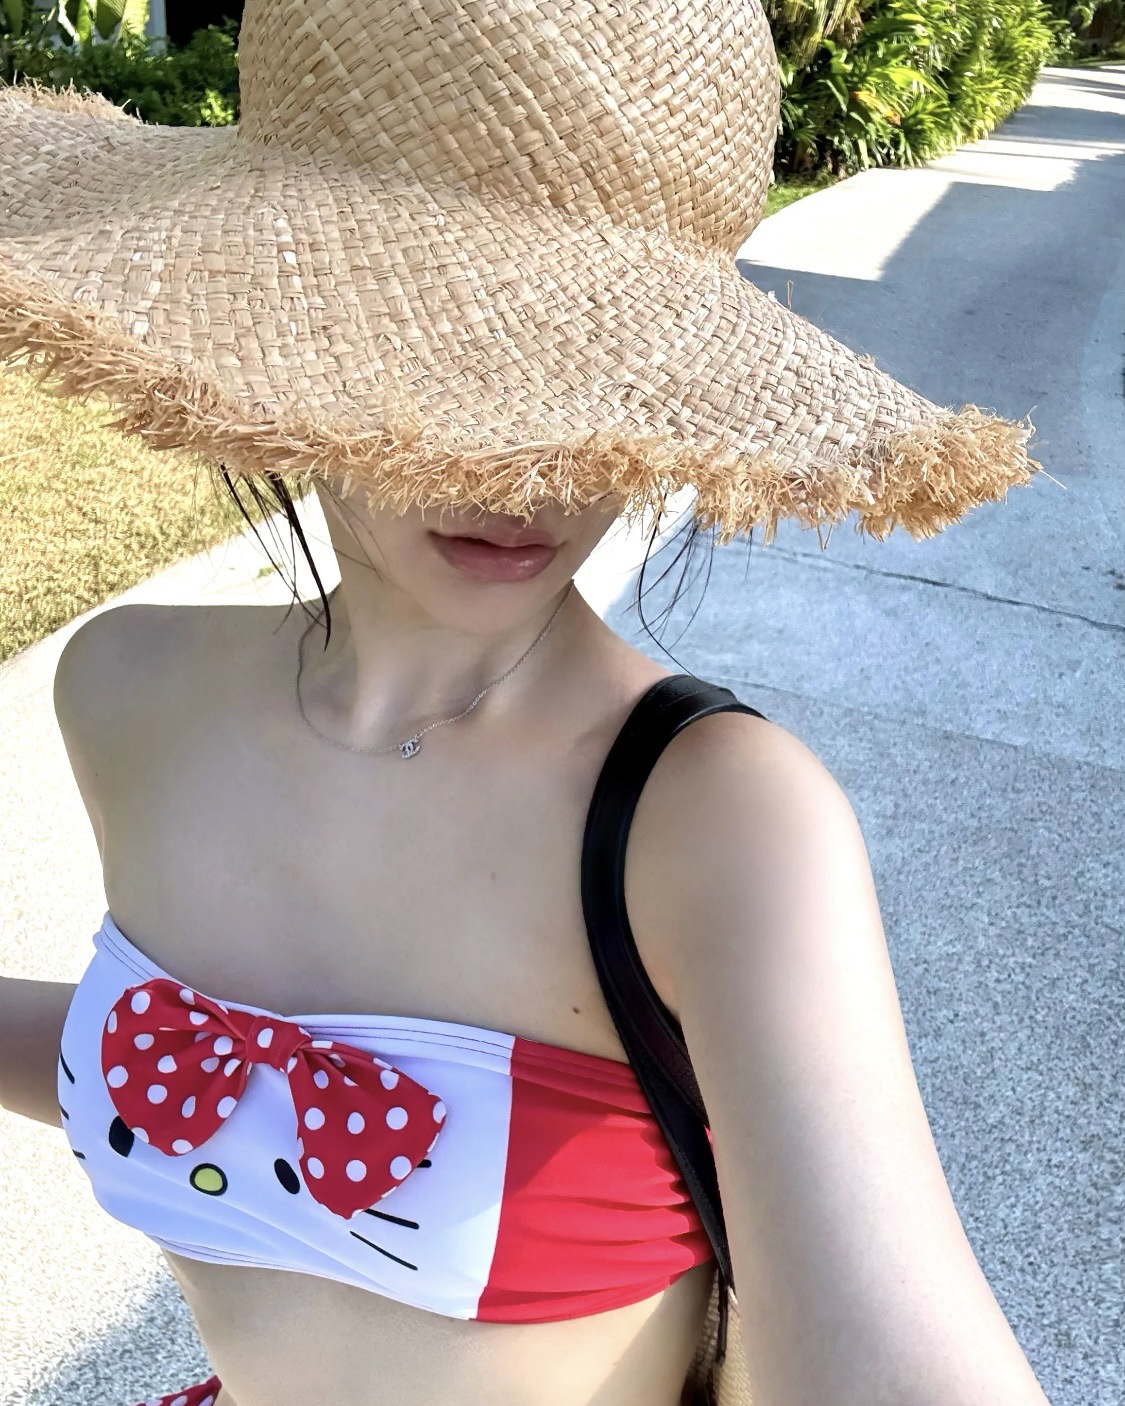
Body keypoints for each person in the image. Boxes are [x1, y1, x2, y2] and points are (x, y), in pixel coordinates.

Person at [0, 2, 1053, 1404]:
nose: (535, 469)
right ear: (286, 328)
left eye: (606, 375)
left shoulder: (717, 819)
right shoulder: (127, 693)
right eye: (453, 354)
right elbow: (191, 1068)